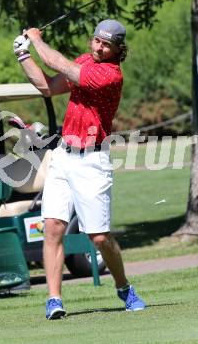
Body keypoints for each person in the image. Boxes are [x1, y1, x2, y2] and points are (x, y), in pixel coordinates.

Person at [13, 19, 146, 319]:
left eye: (106, 44)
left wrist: (35, 39)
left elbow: (55, 60)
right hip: (63, 156)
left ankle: (124, 287)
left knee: (98, 237)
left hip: (92, 161)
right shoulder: (87, 60)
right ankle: (54, 299)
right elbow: (47, 86)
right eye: (96, 41)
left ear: (117, 50)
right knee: (52, 228)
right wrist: (23, 56)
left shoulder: (109, 74)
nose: (99, 47)